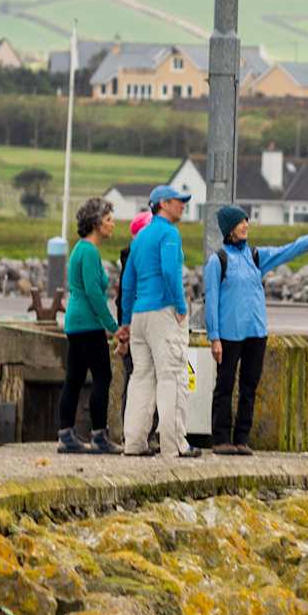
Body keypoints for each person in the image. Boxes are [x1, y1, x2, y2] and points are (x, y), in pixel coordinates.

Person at [203, 206, 308, 455]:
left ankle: (242, 438)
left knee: (249, 387)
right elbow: (211, 300)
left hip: (256, 332)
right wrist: (214, 337)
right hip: (229, 335)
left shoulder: (255, 256)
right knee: (224, 386)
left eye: (247, 221)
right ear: (230, 228)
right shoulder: (217, 261)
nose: (246, 225)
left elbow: (285, 252)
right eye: (241, 222)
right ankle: (221, 438)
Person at [120, 184, 199, 459]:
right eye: (179, 201)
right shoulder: (169, 233)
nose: (183, 206)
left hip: (140, 315)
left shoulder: (140, 238)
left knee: (141, 377)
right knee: (172, 377)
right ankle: (175, 444)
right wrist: (179, 306)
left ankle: (134, 442)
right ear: (163, 204)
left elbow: (127, 281)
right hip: (163, 313)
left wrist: (125, 320)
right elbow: (169, 270)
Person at [56, 199, 121, 454]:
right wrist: (113, 327)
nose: (112, 223)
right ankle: (99, 436)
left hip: (74, 322)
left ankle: (66, 434)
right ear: (95, 223)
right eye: (108, 219)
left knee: (73, 379)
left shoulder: (78, 250)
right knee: (103, 377)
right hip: (88, 324)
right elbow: (95, 294)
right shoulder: (91, 252)